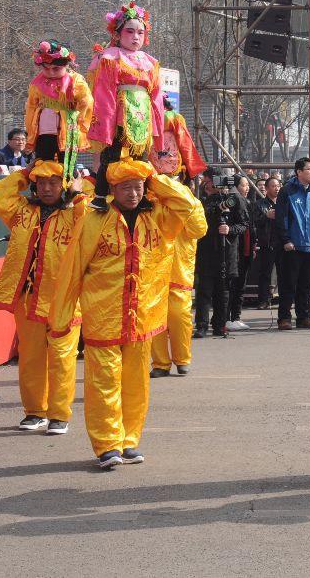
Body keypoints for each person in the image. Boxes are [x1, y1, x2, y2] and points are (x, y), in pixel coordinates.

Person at [50, 158, 204, 469]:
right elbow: (73, 269)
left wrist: (157, 180)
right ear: (113, 189)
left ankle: (129, 440)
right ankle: (108, 445)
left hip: (143, 316)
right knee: (103, 380)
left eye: (137, 187)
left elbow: (197, 220)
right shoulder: (94, 219)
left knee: (136, 383)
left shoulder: (160, 216)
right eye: (125, 187)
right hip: (102, 314)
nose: (132, 193)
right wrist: (62, 316)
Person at [0, 159, 90, 434]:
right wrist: (23, 172)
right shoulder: (22, 211)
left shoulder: (75, 214)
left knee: (62, 357)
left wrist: (78, 191)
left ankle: (59, 414)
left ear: (64, 184)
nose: (46, 188)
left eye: (53, 183)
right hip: (28, 297)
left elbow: (91, 212)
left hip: (64, 299)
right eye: (41, 183)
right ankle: (35, 411)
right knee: (30, 356)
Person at [149, 102, 208, 374]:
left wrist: (177, 195)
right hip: (153, 270)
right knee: (155, 317)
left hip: (180, 271)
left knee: (179, 315)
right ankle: (160, 362)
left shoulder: (190, 201)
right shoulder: (148, 201)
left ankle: (182, 359)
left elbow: (199, 230)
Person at [87, 0, 164, 202]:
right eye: (130, 31)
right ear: (117, 33)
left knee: (141, 158)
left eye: (140, 32)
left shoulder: (151, 62)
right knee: (111, 155)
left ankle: (143, 196)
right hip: (119, 115)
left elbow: (156, 98)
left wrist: (156, 128)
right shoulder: (111, 57)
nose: (135, 37)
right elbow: (105, 94)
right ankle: (101, 196)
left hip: (143, 115)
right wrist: (105, 125)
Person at [194, 169, 251, 339]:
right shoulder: (204, 200)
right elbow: (201, 218)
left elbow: (244, 224)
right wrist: (216, 207)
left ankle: (219, 324)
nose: (210, 185)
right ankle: (202, 325)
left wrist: (230, 229)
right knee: (204, 291)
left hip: (227, 251)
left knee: (223, 291)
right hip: (207, 250)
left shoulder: (236, 200)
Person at [24, 40, 93, 178]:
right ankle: (39, 191)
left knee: (68, 164)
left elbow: (86, 101)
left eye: (56, 69)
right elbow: (31, 106)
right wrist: (31, 130)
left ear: (66, 65)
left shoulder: (76, 81)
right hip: (43, 130)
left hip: (67, 130)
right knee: (42, 162)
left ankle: (71, 193)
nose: (51, 72)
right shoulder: (37, 83)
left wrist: (78, 120)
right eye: (46, 68)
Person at [274, 158, 310, 330]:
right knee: (288, 284)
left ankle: (303, 317)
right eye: (309, 168)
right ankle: (284, 318)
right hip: (292, 245)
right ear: (299, 172)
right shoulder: (287, 191)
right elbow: (282, 217)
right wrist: (286, 240)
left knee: (306, 284)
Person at [225, 174, 255, 330]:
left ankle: (235, 316)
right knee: (234, 285)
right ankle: (230, 317)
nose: (247, 188)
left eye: (248, 185)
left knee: (239, 285)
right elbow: (242, 225)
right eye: (244, 185)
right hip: (236, 249)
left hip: (245, 249)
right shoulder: (234, 199)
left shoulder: (246, 201)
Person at [250, 176, 282, 307]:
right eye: (273, 186)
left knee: (283, 273)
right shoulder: (259, 204)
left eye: (278, 186)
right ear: (267, 188)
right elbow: (254, 222)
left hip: (282, 243)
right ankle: (263, 300)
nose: (276, 188)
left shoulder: (283, 203)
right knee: (265, 273)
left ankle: (282, 298)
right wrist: (266, 216)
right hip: (267, 243)